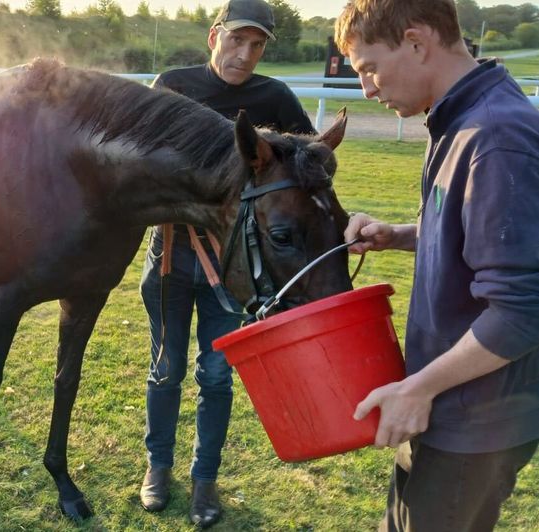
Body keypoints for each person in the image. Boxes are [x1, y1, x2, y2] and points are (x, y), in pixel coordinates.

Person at [335, 0, 539, 529]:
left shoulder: (494, 136)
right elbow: (484, 239)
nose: (368, 89)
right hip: (449, 407)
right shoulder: (461, 118)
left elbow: (522, 310)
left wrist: (418, 388)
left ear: (417, 42)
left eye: (369, 69)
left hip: (474, 421)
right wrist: (401, 235)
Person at [138, 0, 316, 527]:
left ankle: (204, 480)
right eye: (237, 39)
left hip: (236, 268)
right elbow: (138, 161)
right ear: (215, 36)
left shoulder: (275, 97)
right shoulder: (173, 83)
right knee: (166, 371)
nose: (246, 54)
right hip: (170, 257)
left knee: (216, 376)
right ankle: (157, 466)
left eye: (257, 45)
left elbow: (307, 165)